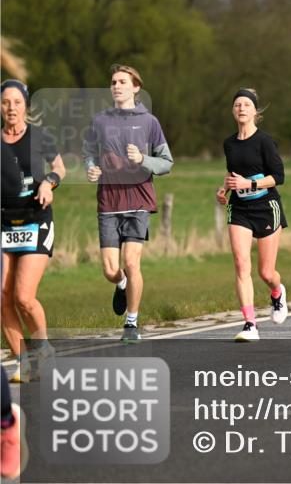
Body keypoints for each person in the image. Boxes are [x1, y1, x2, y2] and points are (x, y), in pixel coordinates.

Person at [84, 64, 174, 343]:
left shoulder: (149, 122)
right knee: (111, 270)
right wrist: (91, 168)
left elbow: (166, 163)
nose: (116, 86)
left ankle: (131, 323)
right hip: (109, 202)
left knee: (131, 263)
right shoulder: (100, 121)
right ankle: (121, 284)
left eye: (122, 81)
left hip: (138, 201)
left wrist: (142, 159)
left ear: (136, 87)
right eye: (113, 82)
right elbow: (89, 152)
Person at [2, 80, 63, 382]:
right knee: (3, 297)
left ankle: (44, 348)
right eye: (5, 103)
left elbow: (59, 167)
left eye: (16, 102)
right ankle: (23, 363)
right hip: (4, 224)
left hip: (35, 221)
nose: (11, 108)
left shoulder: (39, 136)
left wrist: (48, 183)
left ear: (25, 105)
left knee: (23, 297)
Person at [216, 89, 289, 342]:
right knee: (240, 264)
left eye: (246, 104)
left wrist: (250, 184)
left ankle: (277, 293)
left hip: (266, 207)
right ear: (232, 110)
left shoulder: (265, 141)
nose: (241, 108)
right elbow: (233, 173)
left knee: (266, 273)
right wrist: (225, 188)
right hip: (240, 208)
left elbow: (278, 177)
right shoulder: (229, 144)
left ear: (255, 111)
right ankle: (250, 324)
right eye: (237, 104)